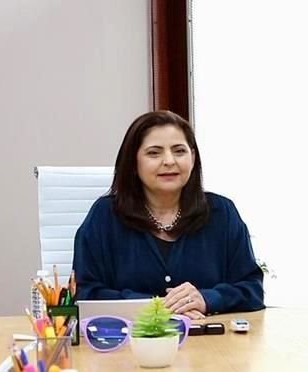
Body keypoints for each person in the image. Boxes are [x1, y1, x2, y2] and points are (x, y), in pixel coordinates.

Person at [72, 110, 264, 318]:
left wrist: (206, 299)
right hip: (131, 344)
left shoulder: (221, 212)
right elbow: (85, 294)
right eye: (154, 153)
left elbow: (251, 290)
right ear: (134, 162)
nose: (169, 161)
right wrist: (156, 307)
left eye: (179, 151)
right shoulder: (105, 216)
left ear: (193, 157)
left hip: (211, 340)